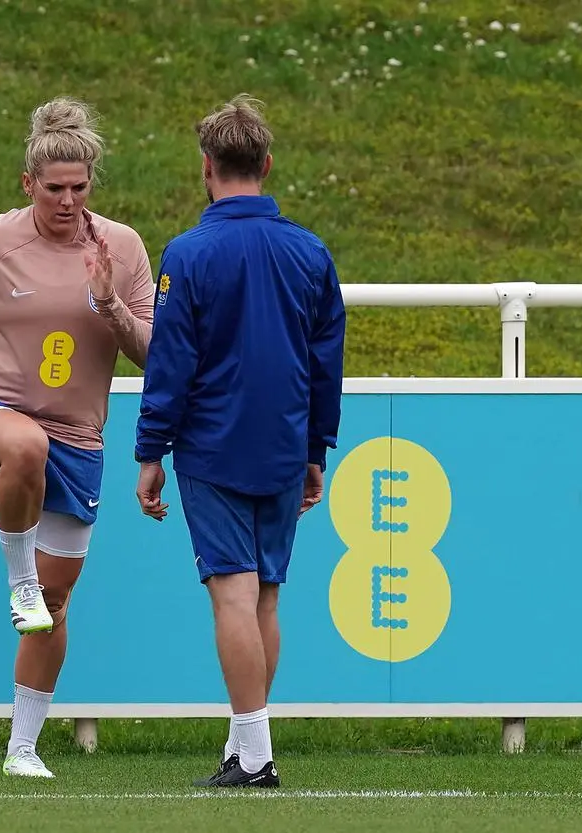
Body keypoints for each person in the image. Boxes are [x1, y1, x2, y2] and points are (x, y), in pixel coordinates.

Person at [0, 98, 156, 778]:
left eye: (80, 188)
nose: (69, 201)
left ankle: (22, 747)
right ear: (28, 184)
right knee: (25, 448)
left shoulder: (123, 248)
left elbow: (155, 352)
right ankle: (16, 577)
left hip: (79, 438)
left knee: (55, 605)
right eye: (55, 189)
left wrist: (110, 302)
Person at [133, 95, 347, 789]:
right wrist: (318, 446)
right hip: (284, 443)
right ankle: (243, 744)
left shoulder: (189, 254)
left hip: (214, 446)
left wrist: (149, 451)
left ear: (207, 167)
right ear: (267, 163)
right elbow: (326, 360)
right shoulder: (310, 251)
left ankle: (255, 756)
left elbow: (171, 362)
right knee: (265, 600)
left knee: (232, 595)